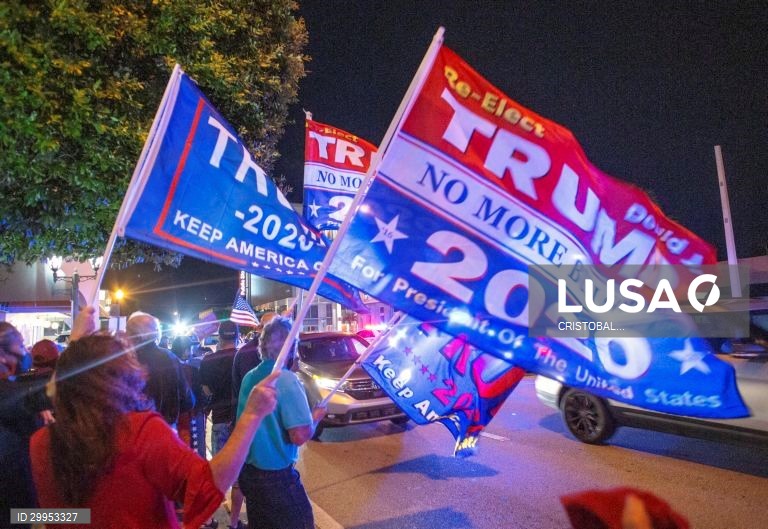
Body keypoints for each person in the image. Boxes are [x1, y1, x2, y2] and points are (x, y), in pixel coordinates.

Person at [29, 306, 279, 529]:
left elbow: (53, 516)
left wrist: (75, 344)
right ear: (118, 378)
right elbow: (204, 487)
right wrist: (251, 416)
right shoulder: (140, 432)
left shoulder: (40, 443)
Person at [236, 316, 325, 529]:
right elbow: (300, 434)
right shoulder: (286, 379)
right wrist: (316, 416)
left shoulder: (250, 376)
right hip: (276, 478)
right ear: (291, 346)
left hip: (249, 473)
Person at [0, 322, 52, 529]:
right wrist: (75, 340)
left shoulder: (12, 386)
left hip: (21, 508)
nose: (26, 351)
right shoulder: (7, 394)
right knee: (80, 517)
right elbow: (53, 390)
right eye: (20, 345)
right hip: (14, 513)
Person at [199, 321, 244, 529]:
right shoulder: (243, 357)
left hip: (219, 420)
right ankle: (234, 523)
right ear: (236, 336)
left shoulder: (208, 361)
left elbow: (206, 392)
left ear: (219, 337)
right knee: (239, 478)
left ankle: (208, 519)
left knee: (216, 475)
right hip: (239, 422)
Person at [126, 312, 195, 428]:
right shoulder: (170, 358)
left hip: (133, 431)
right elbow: (188, 401)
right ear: (156, 333)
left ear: (132, 335)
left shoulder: (123, 360)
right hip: (166, 428)